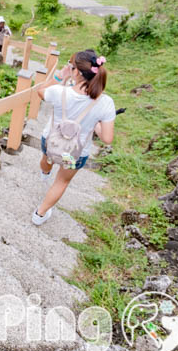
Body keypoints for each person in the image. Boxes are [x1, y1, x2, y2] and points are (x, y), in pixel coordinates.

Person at [31, 49, 116, 226]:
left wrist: (60, 76)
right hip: (73, 153)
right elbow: (107, 138)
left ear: (75, 71)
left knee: (46, 158)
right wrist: (95, 124)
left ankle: (45, 173)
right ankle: (39, 215)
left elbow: (40, 91)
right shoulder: (106, 103)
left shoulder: (59, 92)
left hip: (51, 141)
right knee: (62, 181)